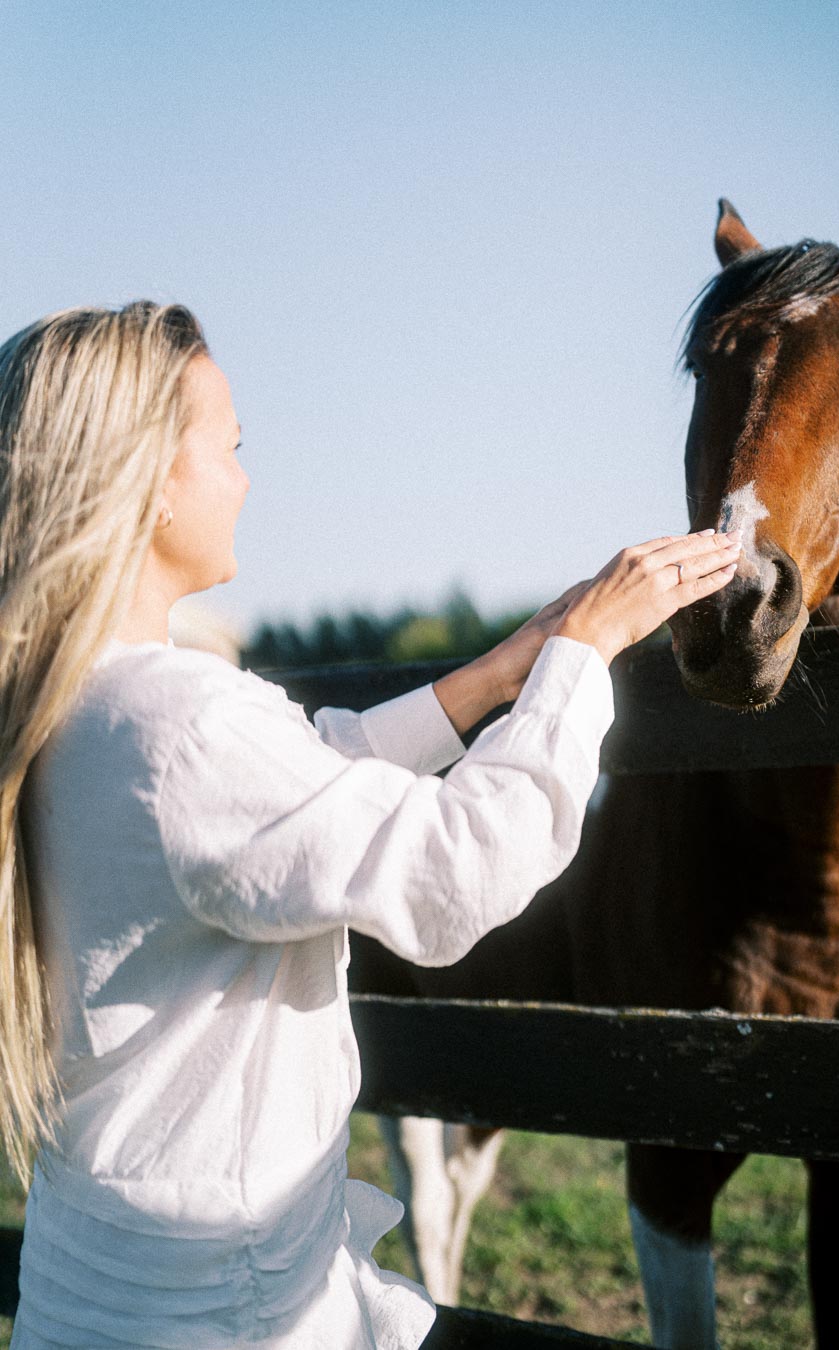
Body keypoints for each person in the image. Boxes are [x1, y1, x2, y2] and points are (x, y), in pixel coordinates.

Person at [0, 302, 740, 1349]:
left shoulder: (72, 705)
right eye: (233, 445)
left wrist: (493, 676)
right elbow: (457, 871)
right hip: (234, 1320)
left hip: (98, 1300)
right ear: (153, 482)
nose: (249, 479)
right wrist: (586, 652)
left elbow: (286, 797)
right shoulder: (180, 728)